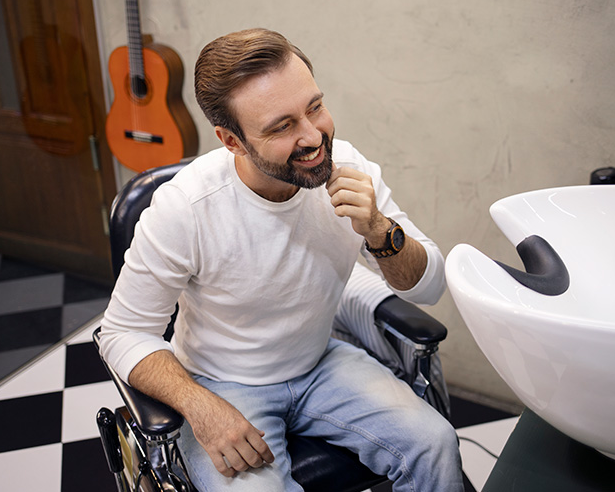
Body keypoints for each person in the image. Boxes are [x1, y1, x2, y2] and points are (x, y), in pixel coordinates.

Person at [99, 28, 463, 492]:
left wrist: (378, 229)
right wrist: (199, 406)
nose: (314, 137)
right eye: (282, 126)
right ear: (232, 141)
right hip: (221, 382)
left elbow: (430, 286)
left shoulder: (350, 168)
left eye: (315, 107)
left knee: (435, 443)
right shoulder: (186, 208)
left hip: (320, 362)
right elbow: (122, 332)